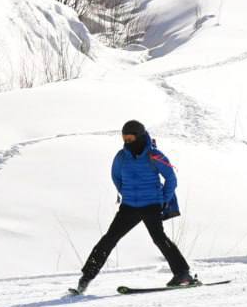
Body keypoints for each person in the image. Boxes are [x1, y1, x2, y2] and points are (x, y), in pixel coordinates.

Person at [72, 120, 193, 294]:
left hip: (151, 205)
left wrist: (163, 200)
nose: (127, 142)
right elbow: (116, 177)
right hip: (129, 206)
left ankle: (182, 274)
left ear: (140, 136)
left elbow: (171, 179)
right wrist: (127, 192)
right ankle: (85, 279)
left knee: (159, 239)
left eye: (130, 138)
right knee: (109, 239)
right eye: (125, 139)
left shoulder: (155, 155)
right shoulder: (121, 156)